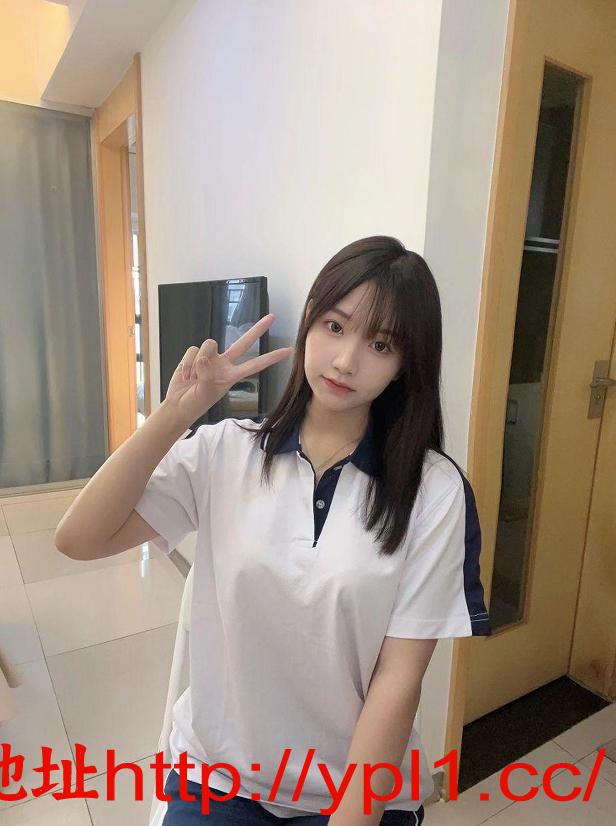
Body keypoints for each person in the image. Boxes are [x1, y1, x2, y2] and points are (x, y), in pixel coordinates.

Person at [55, 235, 491, 824]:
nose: (346, 361)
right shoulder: (225, 451)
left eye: (380, 344)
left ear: (405, 364)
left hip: (352, 788)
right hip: (221, 775)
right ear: (309, 322)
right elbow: (79, 538)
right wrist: (175, 414)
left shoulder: (433, 490)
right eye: (335, 327)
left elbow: (398, 680)